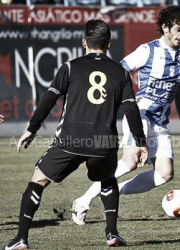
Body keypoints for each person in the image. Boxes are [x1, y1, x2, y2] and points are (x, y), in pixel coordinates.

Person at [4, 20, 148, 249]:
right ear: (109, 44)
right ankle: (112, 233)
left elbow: (49, 99)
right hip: (103, 142)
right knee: (107, 179)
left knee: (38, 180)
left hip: (70, 140)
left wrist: (32, 128)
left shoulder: (70, 67)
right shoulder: (120, 72)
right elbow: (131, 109)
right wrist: (140, 142)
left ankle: (21, 238)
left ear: (84, 42)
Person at [71, 5, 180, 226]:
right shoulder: (147, 50)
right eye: (177, 29)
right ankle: (83, 201)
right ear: (165, 28)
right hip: (139, 115)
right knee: (129, 162)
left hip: (160, 122)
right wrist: (113, 104)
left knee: (165, 174)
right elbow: (118, 72)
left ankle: (109, 190)